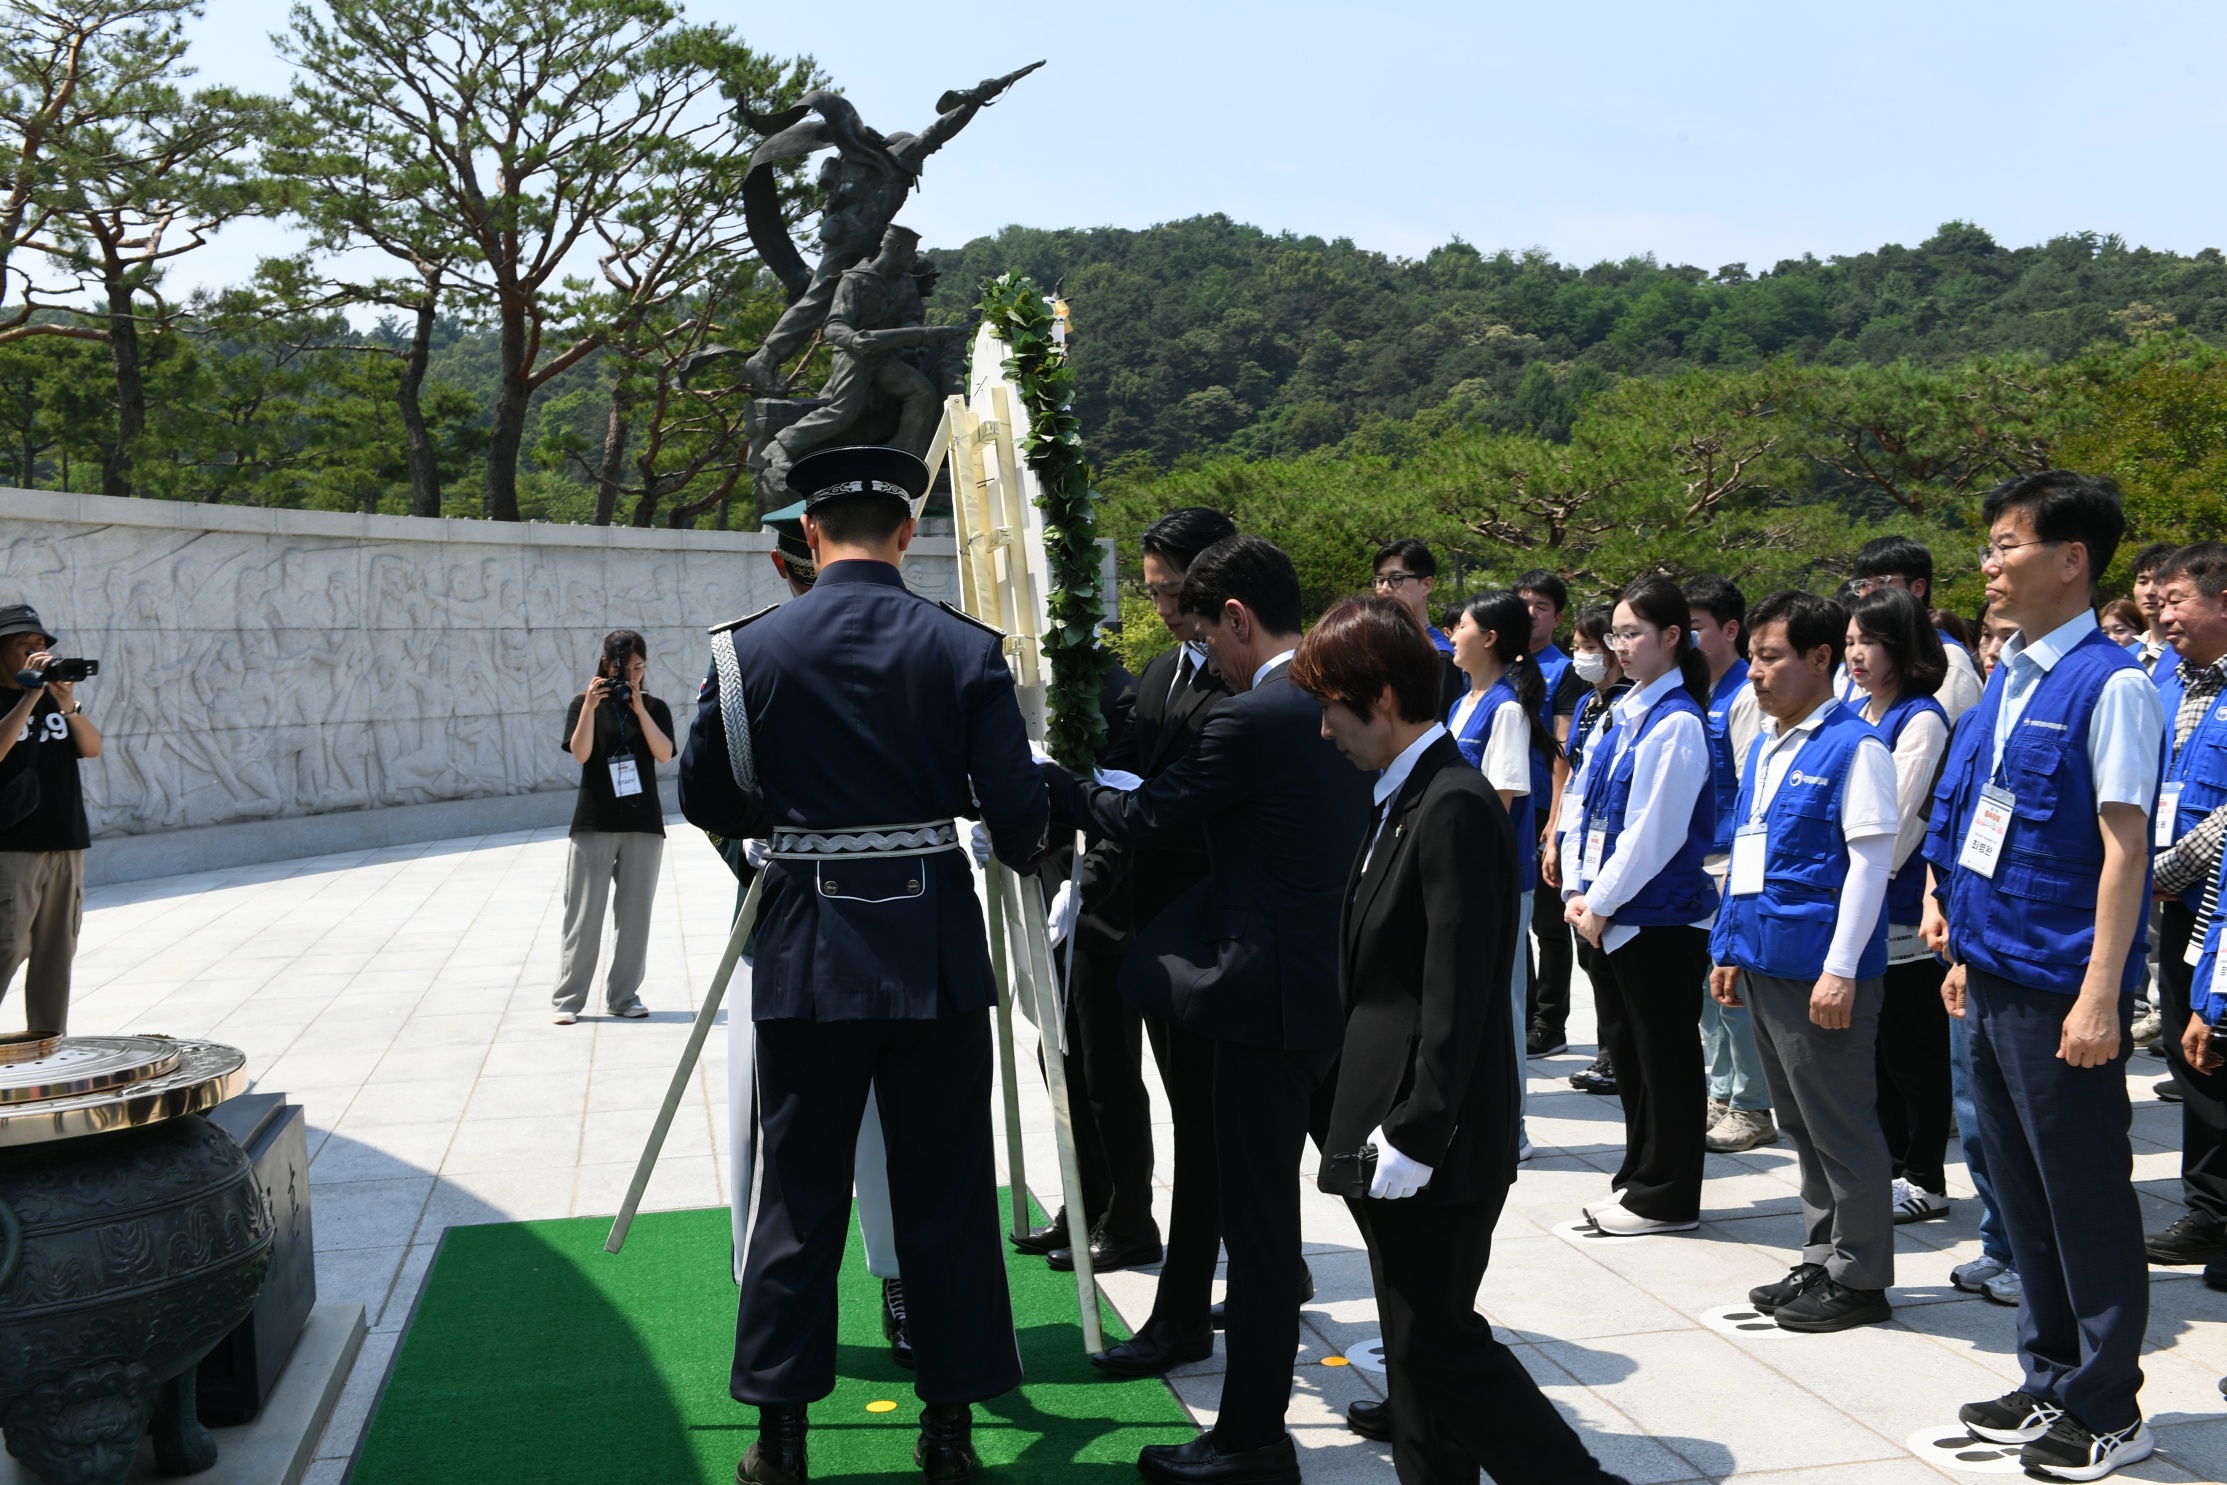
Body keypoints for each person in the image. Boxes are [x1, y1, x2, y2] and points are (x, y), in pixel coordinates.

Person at [678, 443, 1050, 1485]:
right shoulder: (962, 649)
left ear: (807, 535)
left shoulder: (746, 652)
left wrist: (789, 819)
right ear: (905, 535)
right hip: (930, 954)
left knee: (798, 1199)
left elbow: (708, 797)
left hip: (804, 951)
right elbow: (1015, 811)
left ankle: (782, 1441)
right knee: (947, 1193)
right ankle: (948, 1434)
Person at [1040, 535, 1371, 1485]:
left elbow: (1150, 817)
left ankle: (1249, 1439)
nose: (1197, 648)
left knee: (1262, 1236)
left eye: (1200, 622)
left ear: (1235, 616)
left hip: (1257, 1000)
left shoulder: (1256, 712)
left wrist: (1059, 785)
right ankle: (1424, 1382)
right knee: (1376, 1205)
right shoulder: (1339, 698)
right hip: (1331, 986)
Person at [1294, 597, 1631, 1485]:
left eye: (1331, 707)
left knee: (1439, 1341)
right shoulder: (1400, 792)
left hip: (1429, 1135)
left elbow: (1460, 987)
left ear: (1377, 695)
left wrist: (1417, 1126)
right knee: (1410, 1345)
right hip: (1383, 1120)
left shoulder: (1451, 801)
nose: (1324, 730)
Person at [1924, 470, 2162, 1481]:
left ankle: (2107, 1403)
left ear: (2071, 560)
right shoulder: (2009, 674)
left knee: (2084, 1197)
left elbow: (2123, 850)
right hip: (1992, 967)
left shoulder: (2109, 684)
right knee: (2019, 1194)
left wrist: (2102, 992)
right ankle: (2049, 1374)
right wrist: (1956, 935)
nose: (1988, 566)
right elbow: (1981, 814)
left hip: (2062, 982)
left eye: (2007, 546)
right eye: (1987, 547)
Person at [1074, 506, 1242, 1375]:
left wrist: (1085, 798)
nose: (1167, 609)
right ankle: (1212, 1259)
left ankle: (1246, 1273)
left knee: (1211, 1119)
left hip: (1208, 929)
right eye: (1154, 594)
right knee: (1127, 1085)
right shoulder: (1158, 668)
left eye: (1175, 593)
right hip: (1140, 916)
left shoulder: (1249, 688)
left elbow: (1171, 801)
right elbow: (1128, 758)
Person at [1709, 589, 1901, 1331]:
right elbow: (1747, 854)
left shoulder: (1857, 747)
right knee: (1801, 1121)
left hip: (1817, 969)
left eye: (1770, 656)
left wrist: (1841, 967)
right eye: (1752, 657)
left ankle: (1861, 1275)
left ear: (1820, 658)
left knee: (1842, 1124)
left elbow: (1867, 866)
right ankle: (1822, 1254)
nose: (1755, 672)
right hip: (1762, 957)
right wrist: (1727, 946)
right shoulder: (1766, 744)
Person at [1561, 578, 1718, 1236]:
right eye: (1616, 634)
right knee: (1629, 1056)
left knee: (1666, 1061)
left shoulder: (1677, 721)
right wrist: (1574, 888)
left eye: (1632, 633)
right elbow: (1579, 804)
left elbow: (1654, 832)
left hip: (1655, 918)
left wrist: (1596, 900)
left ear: (1671, 638)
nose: (1619, 646)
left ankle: (1668, 1194)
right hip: (1606, 914)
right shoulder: (1621, 712)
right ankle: (1637, 1176)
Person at [1845, 590, 1956, 1227]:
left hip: (1900, 908)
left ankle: (1926, 1176)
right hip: (1860, 903)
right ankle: (1889, 1168)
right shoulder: (1856, 710)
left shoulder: (1922, 719)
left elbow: (1897, 823)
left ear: (1905, 647)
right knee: (1878, 1051)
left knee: (1913, 1049)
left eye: (1872, 642)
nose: (1858, 654)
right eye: (1853, 642)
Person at [1447, 590, 1561, 1159]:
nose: (1452, 631)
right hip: (1462, 876)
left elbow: (1502, 801)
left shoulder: (1507, 708)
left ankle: (1510, 1130)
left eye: (1462, 624)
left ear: (1490, 638)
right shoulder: (1464, 702)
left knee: (1504, 1004)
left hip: (1494, 879)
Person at [2139, 542, 2227, 1271]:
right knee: (2189, 1054)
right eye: (2158, 601)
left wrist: (2165, 867)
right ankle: (2208, 1209)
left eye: (2177, 600)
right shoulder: (2174, 681)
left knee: (2218, 1047)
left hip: (2208, 897)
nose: (2162, 613)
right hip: (2176, 904)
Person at [1684, 575, 1775, 1155]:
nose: (1686, 639)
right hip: (1703, 858)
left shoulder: (1745, 695)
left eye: (1696, 627)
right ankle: (1721, 1092)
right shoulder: (1705, 690)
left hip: (1731, 862)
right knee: (1707, 994)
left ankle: (1752, 1104)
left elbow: (1751, 793)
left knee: (1731, 991)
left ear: (1731, 630)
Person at [551, 629, 676, 1023]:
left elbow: (664, 755)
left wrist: (639, 709)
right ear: (607, 665)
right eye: (628, 667)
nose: (635, 674)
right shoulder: (581, 705)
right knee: (583, 915)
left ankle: (624, 998)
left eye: (641, 667)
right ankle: (568, 1002)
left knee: (635, 915)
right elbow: (580, 754)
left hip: (643, 823)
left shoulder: (655, 707)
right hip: (594, 822)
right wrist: (589, 707)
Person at [0, 604, 101, 1036]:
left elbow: (92, 748)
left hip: (66, 840)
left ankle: (47, 1050)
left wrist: (67, 703)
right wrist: (28, 696)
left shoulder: (56, 698)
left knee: (56, 954)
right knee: (7, 946)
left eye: (40, 644)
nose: (36, 652)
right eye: (25, 645)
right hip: (12, 848)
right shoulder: (19, 698)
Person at [1547, 606, 1628, 1097]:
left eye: (1590, 647)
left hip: (1609, 850)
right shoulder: (1588, 704)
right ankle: (1608, 1051)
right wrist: (1557, 834)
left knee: (1610, 960)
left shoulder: (1627, 704)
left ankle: (1618, 1054)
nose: (1583, 657)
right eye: (1577, 646)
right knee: (1589, 959)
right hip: (1581, 843)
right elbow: (1572, 773)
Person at [1517, 569, 1582, 1055]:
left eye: (1542, 606)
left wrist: (1555, 820)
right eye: (1524, 603)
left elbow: (1564, 748)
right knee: (1512, 921)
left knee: (1548, 923)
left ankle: (1550, 1022)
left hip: (1542, 807)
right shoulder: (1505, 664)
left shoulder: (1566, 671)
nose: (1531, 613)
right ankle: (1521, 1011)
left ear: (1557, 617)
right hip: (1505, 804)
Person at [1850, 536, 1984, 722]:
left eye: (1882, 581)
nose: (1869, 592)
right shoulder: (1863, 654)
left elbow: (1946, 742)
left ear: (1918, 587)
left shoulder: (1947, 658)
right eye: (1863, 584)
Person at [1373, 539, 1464, 714]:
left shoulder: (1438, 655)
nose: (1384, 588)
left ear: (1427, 585)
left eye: (1395, 579)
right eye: (1379, 580)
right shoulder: (1374, 648)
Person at [2130, 541, 2180, 677]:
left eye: (2159, 581)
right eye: (2142, 581)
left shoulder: (2190, 656)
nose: (2149, 591)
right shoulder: (2125, 655)